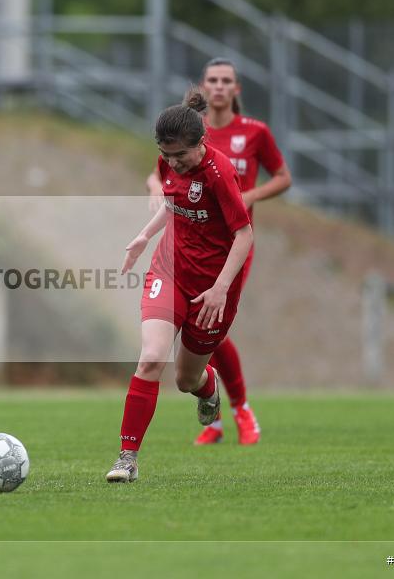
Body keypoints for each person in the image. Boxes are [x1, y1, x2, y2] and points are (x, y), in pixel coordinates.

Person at [106, 88, 253, 483]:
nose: (173, 163)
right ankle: (127, 458)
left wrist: (221, 287)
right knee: (152, 358)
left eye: (180, 155)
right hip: (169, 270)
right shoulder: (169, 162)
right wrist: (144, 236)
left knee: (186, 379)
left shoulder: (219, 173)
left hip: (213, 288)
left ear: (200, 143)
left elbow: (244, 235)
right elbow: (173, 204)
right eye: (166, 155)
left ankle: (208, 390)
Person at [148, 58, 292, 445]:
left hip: (231, 245)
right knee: (205, 332)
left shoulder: (255, 132)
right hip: (189, 243)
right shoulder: (188, 132)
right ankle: (213, 417)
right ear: (204, 86)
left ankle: (241, 409)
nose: (219, 86)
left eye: (226, 80)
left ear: (237, 89)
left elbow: (283, 177)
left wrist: (249, 196)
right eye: (212, 80)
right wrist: (154, 193)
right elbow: (162, 171)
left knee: (211, 327)